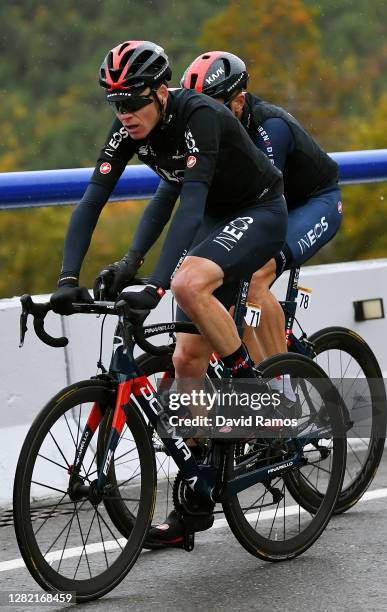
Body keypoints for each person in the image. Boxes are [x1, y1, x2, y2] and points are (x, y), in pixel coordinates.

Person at [50, 41, 288, 547]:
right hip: (215, 222)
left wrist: (155, 284)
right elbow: (92, 201)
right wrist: (70, 278)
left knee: (186, 281)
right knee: (185, 363)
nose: (125, 113)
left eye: (134, 101)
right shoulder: (128, 129)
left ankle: (256, 391)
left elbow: (190, 204)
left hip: (259, 213)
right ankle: (201, 491)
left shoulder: (199, 116)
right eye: (115, 104)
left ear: (161, 92)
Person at [181, 51, 342, 364]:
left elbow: (265, 201)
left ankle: (282, 385)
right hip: (262, 207)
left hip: (311, 203)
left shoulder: (271, 127)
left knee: (254, 276)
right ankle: (256, 373)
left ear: (239, 102)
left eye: (213, 111)